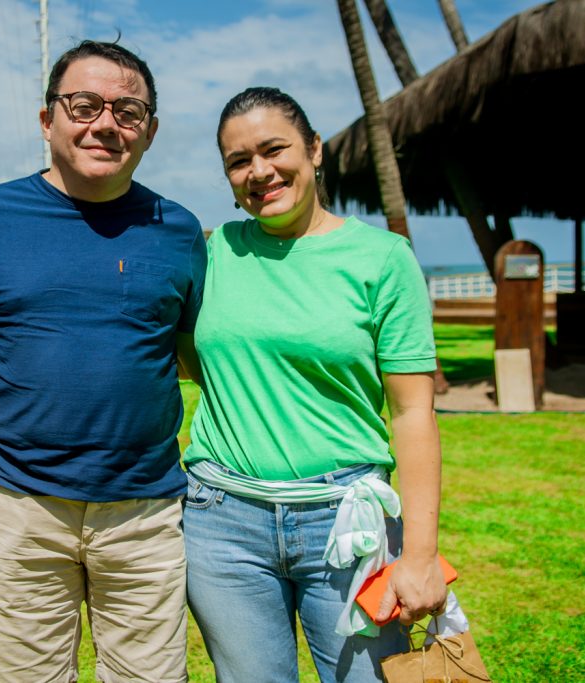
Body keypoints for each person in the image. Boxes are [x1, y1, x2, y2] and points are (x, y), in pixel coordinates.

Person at [0, 40, 206, 683]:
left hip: (145, 511)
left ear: (151, 131)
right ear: (47, 119)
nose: (105, 123)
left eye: (128, 112)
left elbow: (195, 356)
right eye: (84, 105)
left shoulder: (180, 230)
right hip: (17, 505)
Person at [180, 87, 447, 682]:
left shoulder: (383, 259)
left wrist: (421, 553)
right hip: (222, 524)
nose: (260, 171)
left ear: (315, 150)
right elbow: (182, 358)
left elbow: (411, 413)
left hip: (346, 524)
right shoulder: (209, 254)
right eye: (238, 161)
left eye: (274, 149)